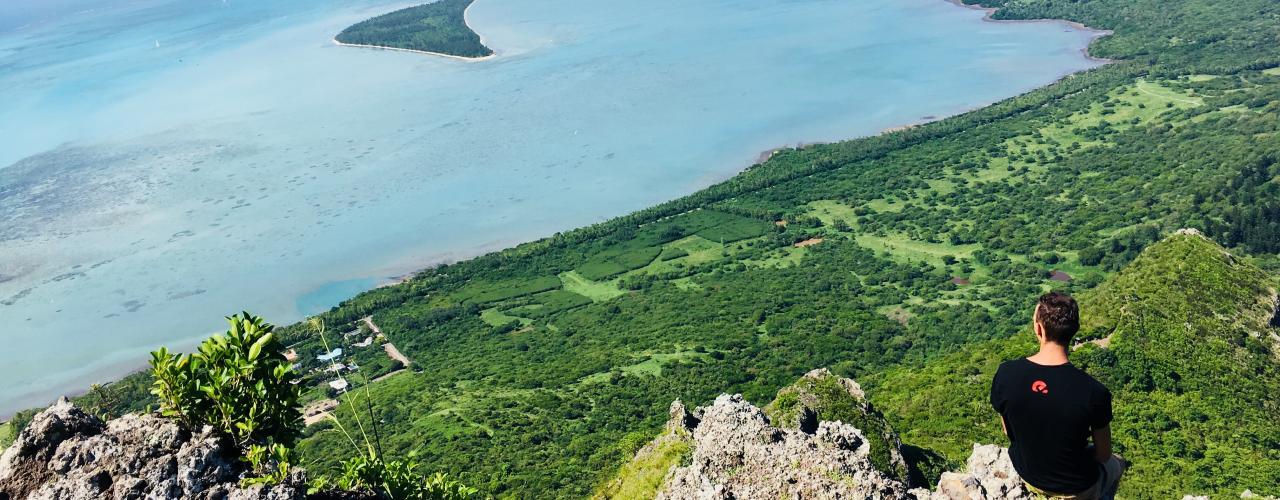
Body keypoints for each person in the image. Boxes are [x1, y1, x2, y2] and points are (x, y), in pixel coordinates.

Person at [990, 292, 1125, 499]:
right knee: (1117, 463)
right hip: (1076, 487)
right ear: (1074, 331)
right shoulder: (1095, 392)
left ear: (1038, 328)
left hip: (1028, 474)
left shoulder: (1006, 373)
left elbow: (1008, 431)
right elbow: (1103, 454)